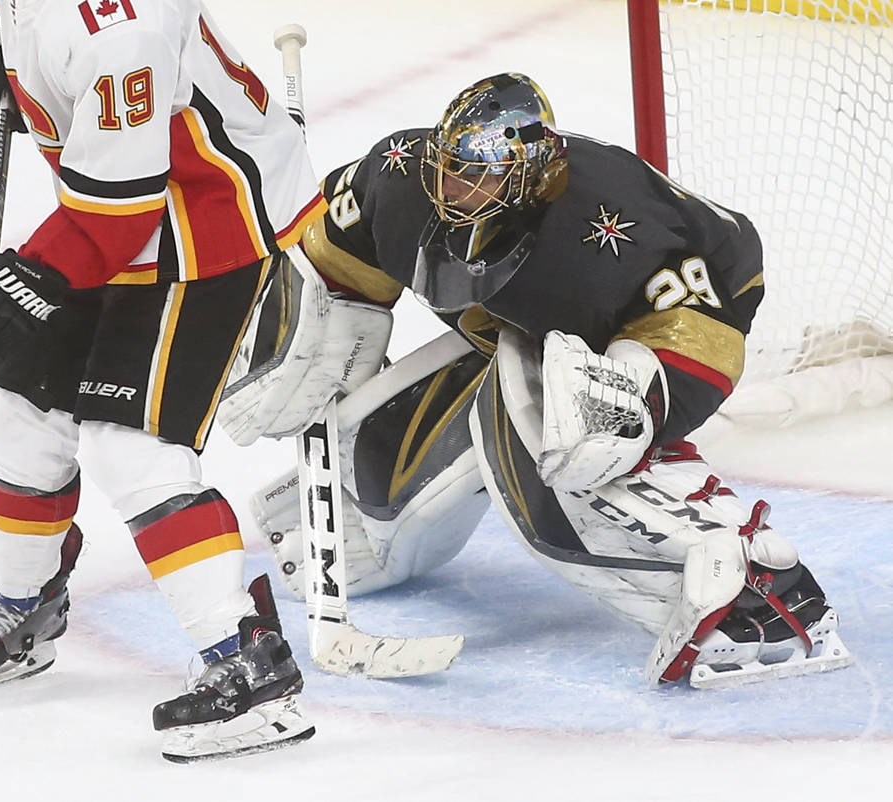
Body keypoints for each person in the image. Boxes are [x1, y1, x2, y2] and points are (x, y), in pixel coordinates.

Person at [217, 72, 854, 687]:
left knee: (581, 434)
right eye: (449, 168)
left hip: (687, 308)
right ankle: (359, 517)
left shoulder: (610, 228)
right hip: (522, 329)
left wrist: (629, 403)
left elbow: (700, 320)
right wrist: (303, 339)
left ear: (535, 178)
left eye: (480, 178)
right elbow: (328, 265)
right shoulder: (400, 180)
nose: (453, 190)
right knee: (449, 427)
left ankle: (756, 592)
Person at [0, 0, 324, 760]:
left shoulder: (122, 31)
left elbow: (115, 220)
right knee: (23, 402)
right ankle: (29, 608)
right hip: (122, 199)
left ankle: (247, 668)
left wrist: (17, 284)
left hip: (210, 223)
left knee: (132, 445)